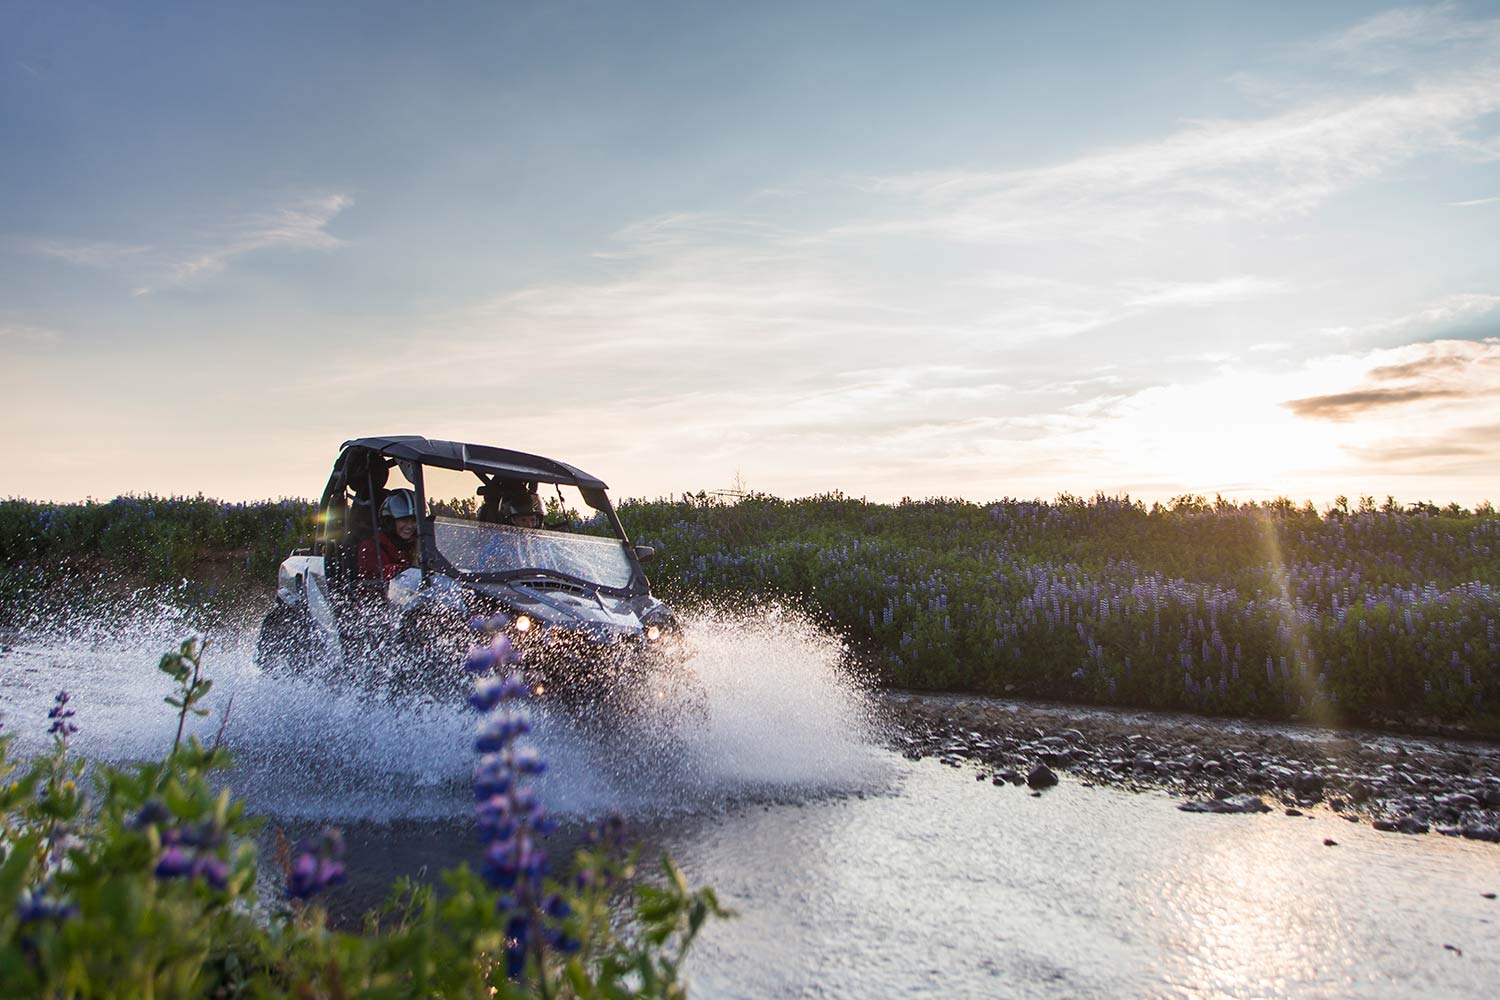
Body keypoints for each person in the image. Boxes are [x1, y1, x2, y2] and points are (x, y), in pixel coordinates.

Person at [358, 488, 419, 580]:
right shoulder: (371, 547)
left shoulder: (417, 545)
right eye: (404, 520)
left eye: (414, 520)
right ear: (390, 522)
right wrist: (411, 570)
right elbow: (382, 571)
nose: (410, 526)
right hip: (380, 593)